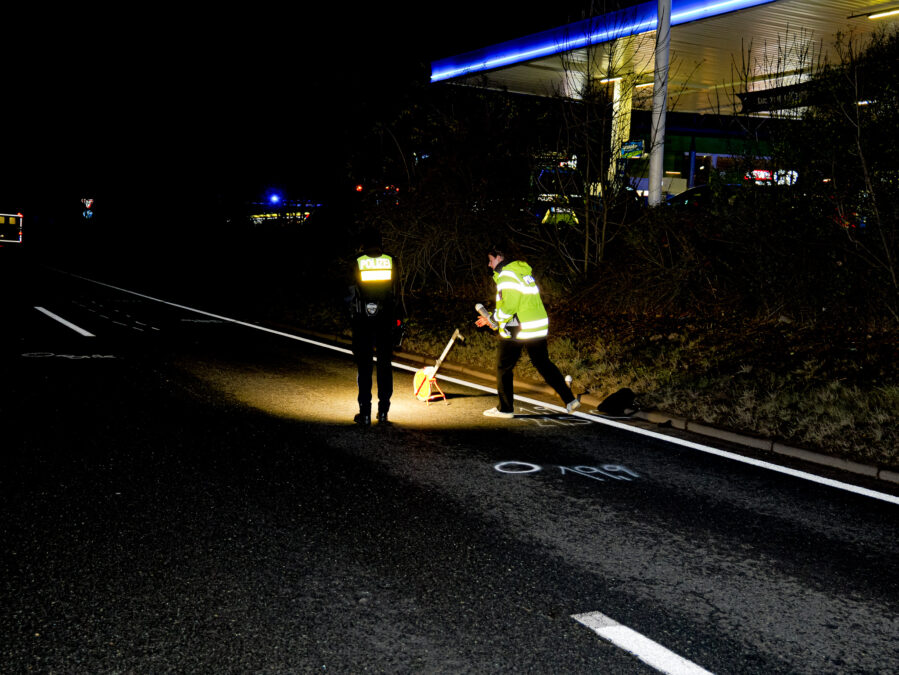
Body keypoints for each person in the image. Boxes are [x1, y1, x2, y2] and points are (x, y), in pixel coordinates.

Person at [475, 244, 580, 418]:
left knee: (503, 367)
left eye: (490, 260)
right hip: (536, 325)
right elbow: (522, 301)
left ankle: (505, 409)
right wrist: (493, 317)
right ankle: (570, 400)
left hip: (518, 327)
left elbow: (510, 305)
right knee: (543, 363)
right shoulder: (522, 272)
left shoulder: (507, 275)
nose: (489, 264)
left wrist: (494, 319)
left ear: (499, 257)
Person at [347, 227, 398, 426]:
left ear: (364, 243)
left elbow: (350, 294)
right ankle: (383, 412)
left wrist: (351, 317)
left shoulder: (358, 261)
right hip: (385, 319)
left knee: (365, 366)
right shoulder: (391, 260)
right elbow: (396, 292)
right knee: (385, 365)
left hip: (363, 321)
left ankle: (365, 413)